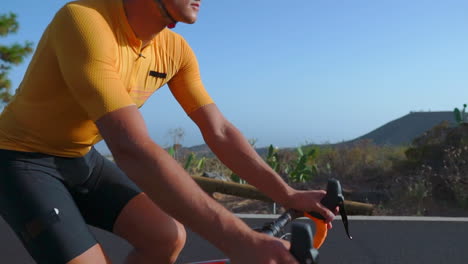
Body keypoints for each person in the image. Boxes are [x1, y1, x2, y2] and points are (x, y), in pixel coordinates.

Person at [0, 0, 335, 263]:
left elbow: (218, 131)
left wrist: (286, 194)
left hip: (80, 157)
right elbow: (131, 146)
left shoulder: (175, 50)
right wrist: (242, 241)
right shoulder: (84, 21)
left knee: (167, 237)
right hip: (19, 159)